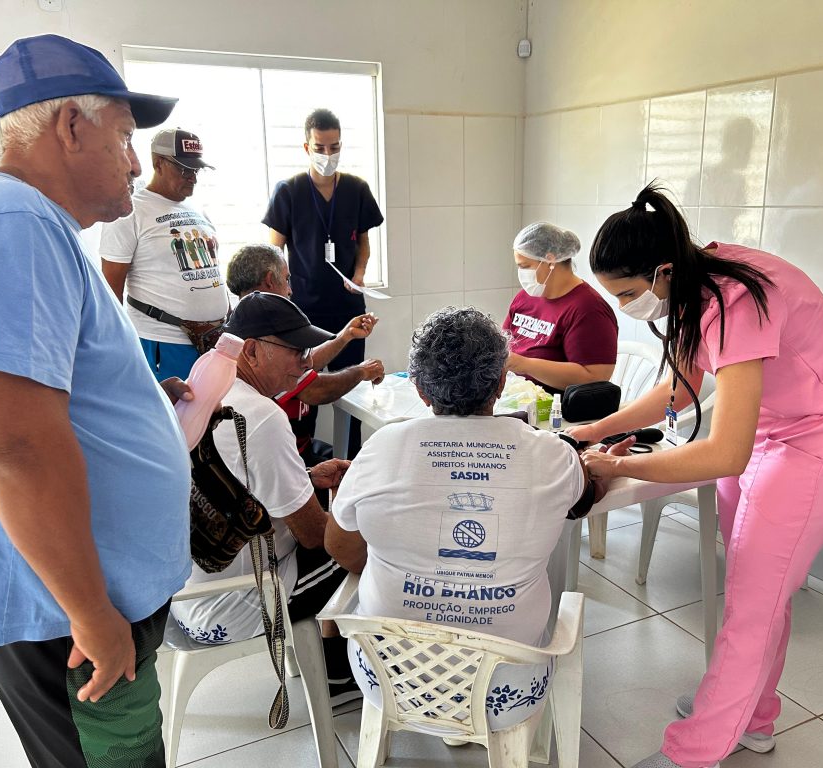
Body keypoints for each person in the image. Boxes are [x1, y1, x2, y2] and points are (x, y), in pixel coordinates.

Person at [0, 34, 191, 767]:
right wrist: (93, 615)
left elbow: (40, 398)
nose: (134, 161)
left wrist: (135, 405)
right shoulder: (10, 224)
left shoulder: (18, 223)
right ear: (71, 126)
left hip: (67, 604)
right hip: (64, 617)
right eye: (126, 138)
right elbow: (14, 447)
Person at [568, 183, 823, 768]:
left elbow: (723, 454)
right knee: (759, 592)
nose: (628, 307)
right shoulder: (691, 281)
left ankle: (694, 751)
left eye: (630, 294)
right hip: (770, 433)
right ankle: (752, 716)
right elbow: (678, 390)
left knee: (752, 606)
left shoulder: (735, 296)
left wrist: (619, 465)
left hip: (818, 441)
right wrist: (591, 431)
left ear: (661, 270)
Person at [325, 307, 621, 731]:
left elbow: (339, 545)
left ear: (422, 392)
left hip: (389, 681)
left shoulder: (381, 447)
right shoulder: (552, 454)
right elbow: (586, 495)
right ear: (501, 383)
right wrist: (599, 467)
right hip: (511, 692)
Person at [169, 291, 361, 703]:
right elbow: (314, 536)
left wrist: (306, 477)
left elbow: (233, 485)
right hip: (234, 606)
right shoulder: (262, 418)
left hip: (184, 596)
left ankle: (327, 657)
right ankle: (337, 669)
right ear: (252, 351)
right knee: (362, 548)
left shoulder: (206, 386)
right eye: (296, 350)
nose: (306, 361)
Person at [264, 108, 384, 455]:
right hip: (303, 314)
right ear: (306, 147)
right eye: (320, 147)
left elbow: (363, 242)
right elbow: (275, 251)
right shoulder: (289, 191)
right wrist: (281, 293)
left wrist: (359, 275)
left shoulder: (357, 189)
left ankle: (353, 463)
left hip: (347, 308)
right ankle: (304, 466)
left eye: (334, 147)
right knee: (306, 394)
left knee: (355, 389)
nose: (327, 155)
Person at [226, 243, 385, 466]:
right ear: (271, 279)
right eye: (287, 279)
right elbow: (313, 389)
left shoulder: (239, 323)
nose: (290, 290)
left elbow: (302, 368)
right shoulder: (266, 330)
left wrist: (344, 336)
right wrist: (362, 371)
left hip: (297, 447)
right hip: (283, 457)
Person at [100, 128, 228, 381]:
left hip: (213, 340)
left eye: (196, 170)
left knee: (211, 418)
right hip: (162, 342)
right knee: (174, 416)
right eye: (184, 169)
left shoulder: (198, 210)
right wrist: (115, 350)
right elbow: (110, 288)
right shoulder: (130, 210)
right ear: (158, 163)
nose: (192, 177)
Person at [504, 222, 618, 392]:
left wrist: (524, 365)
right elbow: (502, 342)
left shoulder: (589, 310)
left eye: (525, 266)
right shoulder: (526, 297)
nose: (520, 272)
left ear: (550, 260)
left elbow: (594, 378)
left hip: (558, 411)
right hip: (515, 398)